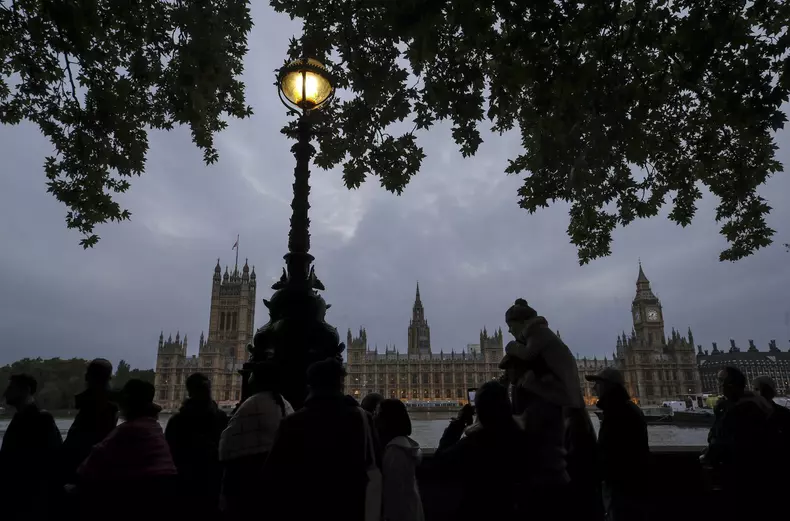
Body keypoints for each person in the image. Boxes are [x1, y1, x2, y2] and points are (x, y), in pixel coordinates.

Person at [263, 358, 378, 521]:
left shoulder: (292, 422)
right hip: (352, 507)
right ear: (341, 384)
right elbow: (376, 464)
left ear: (310, 386)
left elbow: (273, 475)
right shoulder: (363, 419)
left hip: (306, 508)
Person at [71, 379, 176, 521]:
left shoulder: (128, 429)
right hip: (163, 496)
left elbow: (90, 465)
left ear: (128, 403)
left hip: (141, 498)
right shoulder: (154, 427)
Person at [432, 381, 532, 521]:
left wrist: (458, 424)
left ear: (480, 410)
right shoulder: (523, 439)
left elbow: (440, 464)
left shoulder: (473, 444)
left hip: (477, 511)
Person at [219, 361, 293, 516]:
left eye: (251, 374)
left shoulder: (252, 404)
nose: (248, 378)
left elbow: (227, 444)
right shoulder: (284, 403)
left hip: (252, 479)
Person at [586, 367, 649, 521]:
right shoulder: (624, 408)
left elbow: (614, 453)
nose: (594, 388)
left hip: (622, 487)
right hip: (628, 486)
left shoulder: (618, 412)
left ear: (609, 386)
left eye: (598, 383)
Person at [165, 373, 228, 521]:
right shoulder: (221, 417)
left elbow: (170, 453)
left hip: (186, 481)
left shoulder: (177, 421)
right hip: (212, 480)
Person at [0, 373, 63, 521]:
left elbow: (51, 461)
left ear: (25, 390)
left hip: (28, 503)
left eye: (11, 387)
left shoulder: (41, 419)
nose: (5, 393)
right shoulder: (21, 418)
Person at [61, 358, 119, 484]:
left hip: (83, 474)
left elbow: (84, 444)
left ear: (89, 377)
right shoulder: (109, 405)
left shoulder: (99, 406)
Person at [375, 398, 425, 521]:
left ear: (387, 419)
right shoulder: (403, 446)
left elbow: (394, 494)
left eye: (377, 413)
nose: (373, 418)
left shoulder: (395, 452)